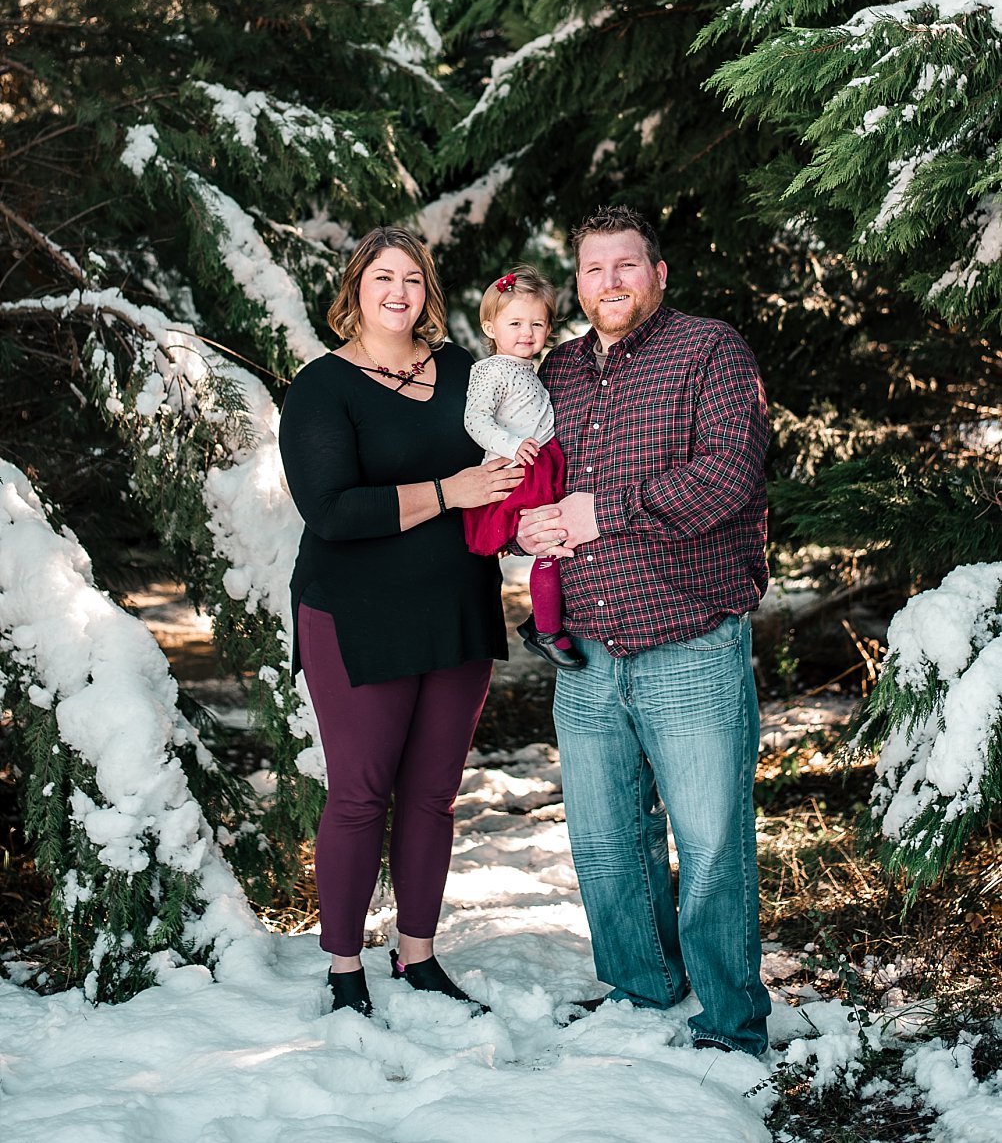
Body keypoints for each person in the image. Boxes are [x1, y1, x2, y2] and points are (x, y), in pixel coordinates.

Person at [516, 205, 772, 1056]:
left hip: (689, 640)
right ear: (579, 284)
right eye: (593, 269)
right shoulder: (556, 371)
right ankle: (640, 987)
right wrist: (530, 522)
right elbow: (530, 477)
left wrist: (602, 514)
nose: (610, 282)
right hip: (586, 650)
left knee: (710, 843)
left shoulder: (709, 349)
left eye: (627, 265)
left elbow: (729, 474)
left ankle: (731, 1024)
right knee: (605, 840)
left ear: (658, 274)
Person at [279, 225, 523, 1018]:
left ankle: (417, 955)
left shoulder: (463, 371)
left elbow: (511, 462)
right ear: (354, 290)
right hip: (355, 612)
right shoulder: (322, 387)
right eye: (382, 277)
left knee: (434, 794)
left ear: (429, 292)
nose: (398, 292)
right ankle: (344, 968)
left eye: (412, 279)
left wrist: (528, 510)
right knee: (359, 793)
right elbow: (332, 509)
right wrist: (451, 493)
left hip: (457, 602)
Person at [462, 265, 584, 672]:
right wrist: (513, 447)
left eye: (537, 323)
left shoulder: (529, 367)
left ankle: (546, 620)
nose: (527, 333)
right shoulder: (491, 370)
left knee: (557, 546)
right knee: (551, 544)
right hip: (522, 468)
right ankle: (547, 630)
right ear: (490, 326)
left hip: (543, 464)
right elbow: (475, 420)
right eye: (515, 323)